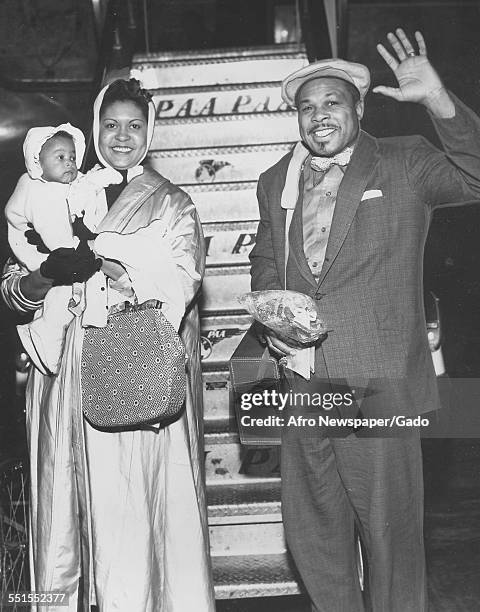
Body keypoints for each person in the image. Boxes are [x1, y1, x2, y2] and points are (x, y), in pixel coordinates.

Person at [249, 29, 480, 611]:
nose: (318, 116)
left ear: (358, 107)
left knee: (390, 536)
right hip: (302, 385)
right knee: (314, 534)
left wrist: (437, 100)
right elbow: (266, 259)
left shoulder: (405, 161)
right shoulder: (276, 179)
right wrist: (274, 313)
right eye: (306, 107)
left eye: (331, 103)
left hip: (379, 383)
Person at [1, 78, 214, 611]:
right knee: (62, 515)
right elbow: (14, 288)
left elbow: (182, 277)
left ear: (151, 132)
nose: (123, 136)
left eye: (135, 125)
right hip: (63, 379)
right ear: (95, 130)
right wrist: (43, 278)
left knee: (132, 516)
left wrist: (116, 272)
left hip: (129, 372)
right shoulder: (60, 187)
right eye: (111, 125)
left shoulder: (173, 203)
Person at [4, 124, 119, 375]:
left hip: (78, 270)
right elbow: (48, 227)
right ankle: (43, 339)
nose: (69, 162)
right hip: (46, 259)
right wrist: (66, 250)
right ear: (37, 161)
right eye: (60, 157)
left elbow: (87, 195)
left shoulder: (72, 185)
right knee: (59, 303)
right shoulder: (34, 188)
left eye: (73, 157)